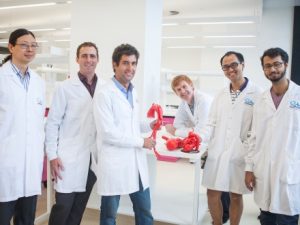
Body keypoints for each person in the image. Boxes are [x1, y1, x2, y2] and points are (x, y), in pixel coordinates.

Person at [93, 43, 156, 225]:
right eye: (125, 63)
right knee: (109, 215)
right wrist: (141, 142)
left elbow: (130, 123)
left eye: (134, 63)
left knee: (144, 210)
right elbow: (108, 133)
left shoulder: (132, 90)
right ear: (115, 64)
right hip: (115, 162)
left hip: (135, 162)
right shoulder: (105, 93)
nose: (131, 68)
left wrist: (149, 124)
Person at [199, 51, 262, 225]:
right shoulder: (220, 94)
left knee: (235, 195)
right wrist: (199, 139)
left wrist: (250, 160)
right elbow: (210, 123)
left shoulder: (257, 93)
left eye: (234, 64)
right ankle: (217, 223)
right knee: (212, 192)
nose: (230, 69)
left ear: (243, 65)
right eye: (225, 67)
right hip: (217, 151)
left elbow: (257, 130)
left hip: (240, 153)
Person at [45, 42, 100, 225]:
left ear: (97, 59)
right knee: (63, 207)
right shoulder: (65, 87)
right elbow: (52, 123)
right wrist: (52, 155)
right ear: (77, 59)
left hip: (92, 158)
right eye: (84, 55)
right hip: (68, 156)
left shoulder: (105, 88)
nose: (88, 60)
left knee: (78, 209)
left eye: (92, 56)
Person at [165, 74, 230, 223]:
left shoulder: (204, 101)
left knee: (220, 178)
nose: (182, 91)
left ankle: (224, 213)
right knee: (213, 177)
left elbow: (201, 132)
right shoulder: (185, 103)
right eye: (178, 89)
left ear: (192, 86)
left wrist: (178, 132)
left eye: (184, 87)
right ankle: (218, 208)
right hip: (208, 144)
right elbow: (177, 124)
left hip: (220, 142)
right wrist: (186, 129)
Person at [245, 47, 300, 225]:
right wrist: (249, 168)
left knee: (287, 217)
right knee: (266, 217)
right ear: (263, 69)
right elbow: (253, 137)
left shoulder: (298, 95)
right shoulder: (260, 100)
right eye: (267, 66)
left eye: (277, 64)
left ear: (285, 64)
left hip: (290, 170)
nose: (272, 69)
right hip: (264, 170)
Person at [0, 28, 45, 225]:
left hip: (30, 165)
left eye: (33, 45)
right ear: (11, 47)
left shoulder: (38, 82)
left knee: (26, 220)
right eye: (24, 45)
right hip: (5, 163)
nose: (30, 49)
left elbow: (36, 125)